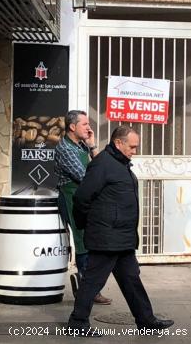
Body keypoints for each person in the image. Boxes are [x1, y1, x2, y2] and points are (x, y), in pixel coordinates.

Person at [67, 125, 174, 336]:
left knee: (131, 279)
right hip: (107, 237)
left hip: (121, 237)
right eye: (132, 147)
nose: (135, 151)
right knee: (93, 281)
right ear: (118, 143)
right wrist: (86, 225)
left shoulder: (120, 163)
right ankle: (77, 322)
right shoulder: (102, 165)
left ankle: (146, 321)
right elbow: (81, 198)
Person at [54, 110, 112, 305]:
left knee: (91, 240)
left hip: (85, 197)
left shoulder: (81, 146)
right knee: (82, 241)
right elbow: (86, 177)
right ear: (72, 127)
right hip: (72, 198)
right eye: (85, 124)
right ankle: (87, 288)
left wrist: (93, 145)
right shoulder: (65, 149)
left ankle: (88, 286)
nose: (89, 128)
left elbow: (99, 167)